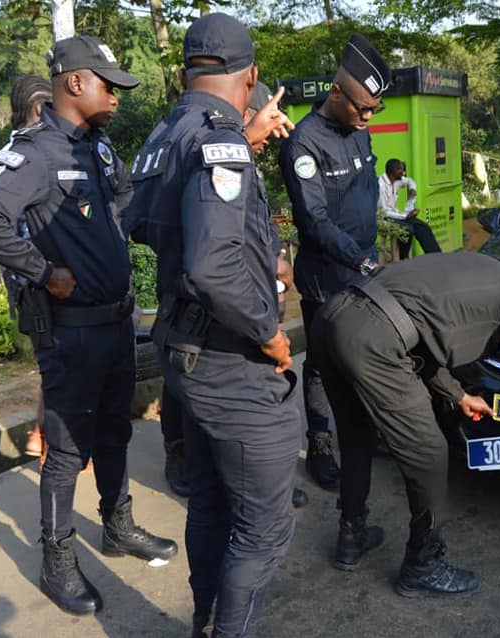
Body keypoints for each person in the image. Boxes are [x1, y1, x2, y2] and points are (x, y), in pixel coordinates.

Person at [0, 36, 177, 616]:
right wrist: (42, 270)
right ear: (74, 83)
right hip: (72, 330)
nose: (116, 95)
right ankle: (57, 558)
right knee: (66, 449)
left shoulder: (99, 149)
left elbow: (126, 203)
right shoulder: (33, 153)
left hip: (114, 323)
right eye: (108, 84)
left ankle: (118, 524)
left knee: (115, 432)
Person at [125, 13, 301, 636]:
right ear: (250, 76)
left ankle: (204, 618)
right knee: (263, 529)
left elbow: (138, 218)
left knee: (210, 501)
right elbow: (212, 264)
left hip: (184, 349)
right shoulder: (218, 136)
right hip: (231, 360)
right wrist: (269, 332)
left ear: (183, 73)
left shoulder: (169, 130)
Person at [310, 244, 500, 598]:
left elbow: (419, 337)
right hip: (373, 340)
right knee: (430, 456)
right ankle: (423, 564)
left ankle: (351, 537)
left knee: (356, 435)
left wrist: (459, 395)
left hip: (333, 317)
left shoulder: (491, 269)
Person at [155, 80, 309, 509]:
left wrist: (276, 259)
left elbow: (258, 228)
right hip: (206, 323)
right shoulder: (213, 151)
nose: (272, 130)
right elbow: (211, 260)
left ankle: (260, 478)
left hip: (245, 312)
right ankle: (183, 457)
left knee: (239, 430)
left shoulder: (243, 159)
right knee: (200, 408)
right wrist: (268, 332)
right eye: (267, 118)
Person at [279, 33, 390, 491]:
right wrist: (360, 261)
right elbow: (315, 221)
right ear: (336, 92)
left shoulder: (358, 132)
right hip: (329, 274)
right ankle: (321, 445)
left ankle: (362, 431)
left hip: (366, 266)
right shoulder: (304, 144)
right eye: (361, 106)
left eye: (374, 109)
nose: (367, 116)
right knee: (324, 363)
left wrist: (374, 255)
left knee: (366, 355)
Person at [0, 74, 53, 461]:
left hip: (24, 285)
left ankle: (41, 433)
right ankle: (53, 441)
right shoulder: (32, 156)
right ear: (38, 109)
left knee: (52, 364)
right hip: (43, 284)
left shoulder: (6, 154)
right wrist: (47, 274)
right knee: (61, 365)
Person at [378, 158, 441, 259]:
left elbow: (410, 181)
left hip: (395, 215)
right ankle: (404, 258)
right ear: (393, 171)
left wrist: (412, 189)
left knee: (423, 226)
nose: (403, 172)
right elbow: (384, 212)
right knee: (408, 230)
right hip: (383, 218)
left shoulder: (396, 179)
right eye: (400, 170)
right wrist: (406, 216)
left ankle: (436, 257)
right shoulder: (381, 186)